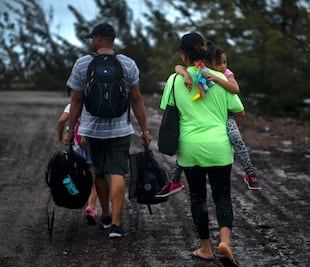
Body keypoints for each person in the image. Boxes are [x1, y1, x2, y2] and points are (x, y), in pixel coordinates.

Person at [160, 32, 242, 266]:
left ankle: (205, 248)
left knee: (198, 198)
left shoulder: (175, 80)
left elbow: (168, 109)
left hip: (190, 148)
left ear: (183, 54)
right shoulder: (219, 78)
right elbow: (238, 110)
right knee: (222, 196)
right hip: (219, 146)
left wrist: (183, 73)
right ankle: (225, 241)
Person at [64, 23, 152, 239]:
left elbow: (76, 100)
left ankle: (105, 215)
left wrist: (70, 130)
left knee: (100, 172)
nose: (92, 42)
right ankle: (116, 224)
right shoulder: (128, 64)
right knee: (118, 173)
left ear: (100, 38)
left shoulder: (83, 64)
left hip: (92, 130)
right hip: (120, 129)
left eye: (93, 38)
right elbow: (136, 99)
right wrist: (145, 129)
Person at [156, 42, 261, 198]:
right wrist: (186, 74)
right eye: (219, 63)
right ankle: (174, 180)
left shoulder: (224, 74)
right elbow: (178, 68)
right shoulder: (202, 72)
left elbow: (235, 89)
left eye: (225, 62)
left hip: (222, 119)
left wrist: (217, 79)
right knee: (186, 154)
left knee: (236, 140)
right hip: (217, 131)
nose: (223, 66)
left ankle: (250, 172)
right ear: (208, 62)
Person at [57, 103, 98, 225]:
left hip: (78, 145)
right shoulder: (94, 104)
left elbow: (62, 120)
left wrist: (61, 137)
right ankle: (91, 206)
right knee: (94, 175)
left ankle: (75, 195)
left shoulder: (73, 105)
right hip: (93, 143)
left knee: (77, 173)